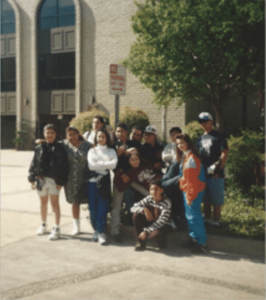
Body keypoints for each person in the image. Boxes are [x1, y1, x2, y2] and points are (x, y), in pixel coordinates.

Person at [28, 124, 68, 240]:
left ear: (56, 134)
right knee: (43, 203)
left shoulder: (61, 148)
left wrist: (61, 181)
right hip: (40, 179)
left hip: (54, 180)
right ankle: (43, 224)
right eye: (47, 133)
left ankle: (56, 227)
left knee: (54, 204)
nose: (49, 135)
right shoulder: (39, 148)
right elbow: (34, 163)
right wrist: (32, 178)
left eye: (52, 133)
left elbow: (65, 166)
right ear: (44, 134)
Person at [176, 134, 207, 254]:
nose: (180, 146)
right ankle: (194, 239)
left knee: (194, 217)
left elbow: (192, 180)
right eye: (178, 144)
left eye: (182, 143)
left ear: (188, 143)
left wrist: (189, 196)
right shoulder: (187, 156)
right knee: (191, 217)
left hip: (193, 191)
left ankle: (201, 243)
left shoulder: (191, 159)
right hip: (190, 191)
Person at [196, 112, 228, 227]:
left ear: (211, 121)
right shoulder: (199, 139)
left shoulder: (219, 136)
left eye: (206, 121)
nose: (204, 124)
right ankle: (207, 219)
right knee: (206, 198)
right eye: (201, 122)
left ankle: (216, 221)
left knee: (216, 198)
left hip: (215, 172)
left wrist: (217, 169)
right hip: (203, 172)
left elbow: (224, 153)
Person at [109, 122, 140, 242]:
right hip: (120, 179)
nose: (119, 134)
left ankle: (142, 228)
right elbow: (111, 163)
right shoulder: (113, 146)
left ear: (127, 132)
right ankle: (115, 231)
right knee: (117, 204)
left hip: (133, 177)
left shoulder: (133, 143)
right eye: (117, 131)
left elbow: (138, 159)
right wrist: (118, 155)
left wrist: (132, 151)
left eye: (122, 131)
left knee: (147, 195)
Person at [87, 129, 118, 245]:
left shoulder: (111, 151)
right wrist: (105, 165)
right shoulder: (92, 151)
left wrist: (98, 164)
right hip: (92, 182)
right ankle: (95, 230)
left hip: (104, 182)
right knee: (93, 207)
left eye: (103, 136)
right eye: (99, 136)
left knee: (103, 206)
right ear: (96, 138)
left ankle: (101, 232)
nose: (101, 139)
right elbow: (91, 166)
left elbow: (114, 164)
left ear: (107, 138)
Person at [115, 153, 161, 222]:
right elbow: (121, 188)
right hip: (151, 190)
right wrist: (119, 174)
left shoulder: (146, 166)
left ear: (139, 160)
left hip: (160, 182)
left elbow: (156, 173)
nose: (135, 161)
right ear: (129, 162)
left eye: (136, 159)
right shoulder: (130, 173)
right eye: (132, 160)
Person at [63, 126, 92, 236]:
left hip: (85, 178)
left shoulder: (87, 145)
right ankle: (76, 226)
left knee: (90, 201)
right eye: (69, 135)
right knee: (75, 202)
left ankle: (94, 223)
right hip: (71, 180)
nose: (72, 137)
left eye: (74, 134)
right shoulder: (64, 144)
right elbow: (52, 143)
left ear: (78, 134)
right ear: (67, 136)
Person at [130, 179, 171, 251]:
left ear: (161, 190)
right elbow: (133, 208)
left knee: (153, 236)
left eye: (156, 189)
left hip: (163, 225)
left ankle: (162, 241)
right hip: (152, 222)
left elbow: (161, 222)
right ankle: (140, 242)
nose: (154, 191)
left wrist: (146, 231)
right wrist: (145, 210)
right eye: (151, 189)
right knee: (136, 215)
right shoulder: (149, 199)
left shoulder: (166, 202)